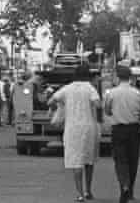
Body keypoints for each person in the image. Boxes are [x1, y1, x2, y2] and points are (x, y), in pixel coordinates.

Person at [49, 64, 101, 202]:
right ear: (87, 75)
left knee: (76, 160)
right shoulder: (90, 88)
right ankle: (88, 190)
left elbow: (51, 101)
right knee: (88, 161)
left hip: (72, 129)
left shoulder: (67, 88)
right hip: (89, 128)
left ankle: (79, 194)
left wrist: (61, 107)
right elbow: (98, 104)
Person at [104, 65, 140, 203]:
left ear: (117, 77)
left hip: (118, 129)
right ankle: (130, 191)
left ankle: (124, 185)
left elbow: (107, 111)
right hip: (134, 129)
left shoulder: (111, 93)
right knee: (133, 160)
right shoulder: (138, 93)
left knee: (120, 160)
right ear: (131, 78)